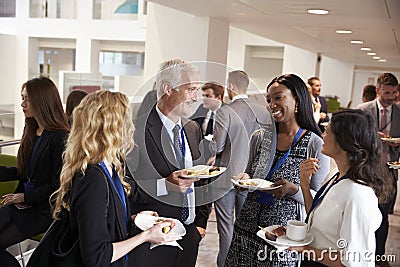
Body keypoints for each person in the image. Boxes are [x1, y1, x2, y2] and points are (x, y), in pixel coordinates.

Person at [51, 90, 177, 266]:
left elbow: (103, 220)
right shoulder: (93, 178)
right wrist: (146, 236)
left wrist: (132, 218)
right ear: (112, 128)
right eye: (127, 121)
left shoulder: (110, 166)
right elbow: (97, 256)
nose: (132, 127)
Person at [225, 74, 330, 266]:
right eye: (269, 100)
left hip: (283, 238)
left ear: (297, 99)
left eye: (278, 97)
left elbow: (318, 203)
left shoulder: (314, 144)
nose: (272, 105)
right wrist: (244, 179)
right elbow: (250, 174)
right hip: (247, 228)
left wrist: (295, 190)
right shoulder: (260, 137)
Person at [127, 59, 210, 267]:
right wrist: (165, 185)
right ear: (168, 89)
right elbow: (126, 187)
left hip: (189, 238)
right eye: (191, 89)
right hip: (152, 241)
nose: (196, 97)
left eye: (198, 90)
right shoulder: (136, 132)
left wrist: (200, 223)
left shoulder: (192, 129)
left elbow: (202, 179)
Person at [295, 109, 394, 266]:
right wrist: (305, 186)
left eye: (327, 132)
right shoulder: (337, 176)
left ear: (343, 141)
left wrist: (303, 248)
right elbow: (318, 221)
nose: (322, 136)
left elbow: (352, 261)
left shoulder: (358, 194)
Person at [0, 77, 69, 267]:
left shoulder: (60, 137)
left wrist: (23, 197)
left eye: (27, 99)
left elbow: (58, 186)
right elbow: (24, 171)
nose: (22, 104)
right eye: (22, 98)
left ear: (41, 100)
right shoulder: (32, 130)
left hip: (44, 210)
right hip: (25, 205)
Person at [212, 70, 270, 267]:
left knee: (226, 228)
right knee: (248, 228)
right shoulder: (263, 110)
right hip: (252, 179)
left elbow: (217, 146)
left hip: (226, 177)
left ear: (231, 86)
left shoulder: (225, 111)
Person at [358, 73, 400, 261]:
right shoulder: (362, 110)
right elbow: (354, 139)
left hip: (389, 171)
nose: (391, 97)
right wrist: (372, 136)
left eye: (394, 93)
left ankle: (379, 256)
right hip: (365, 169)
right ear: (377, 90)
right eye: (387, 93)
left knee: (383, 214)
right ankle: (359, 252)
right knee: (362, 212)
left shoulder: (399, 112)